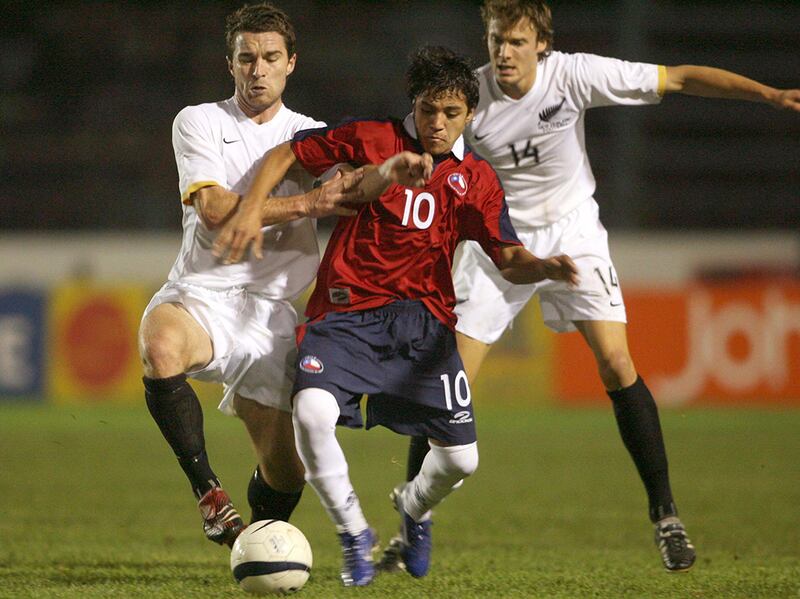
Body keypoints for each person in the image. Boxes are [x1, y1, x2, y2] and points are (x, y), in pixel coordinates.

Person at [384, 0, 800, 574]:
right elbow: (410, 152)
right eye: (496, 39)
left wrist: (770, 95)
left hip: (574, 235)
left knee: (615, 363)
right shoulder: (469, 99)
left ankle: (666, 517)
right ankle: (412, 528)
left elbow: (677, 77)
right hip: (500, 246)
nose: (504, 52)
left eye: (517, 42)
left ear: (542, 46)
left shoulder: (574, 75)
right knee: (447, 386)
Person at [216, 45, 578, 586]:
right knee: (312, 416)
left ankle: (412, 505)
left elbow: (509, 259)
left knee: (461, 462)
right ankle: (354, 533)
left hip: (424, 328)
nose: (436, 123)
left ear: (470, 116)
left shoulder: (476, 179)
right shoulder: (372, 138)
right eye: (428, 109)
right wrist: (250, 208)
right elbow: (287, 154)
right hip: (345, 315)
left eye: (451, 114)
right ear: (414, 103)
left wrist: (545, 266)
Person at [138, 2, 368, 548]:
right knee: (160, 344)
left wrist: (392, 172)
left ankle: (263, 547)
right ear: (230, 63)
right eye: (247, 58)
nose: (257, 69)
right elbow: (216, 211)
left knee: (287, 472)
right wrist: (311, 203)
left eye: (269, 57)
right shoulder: (199, 120)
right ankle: (210, 494)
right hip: (204, 295)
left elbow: (353, 190)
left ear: (291, 63)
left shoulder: (310, 133)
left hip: (273, 314)